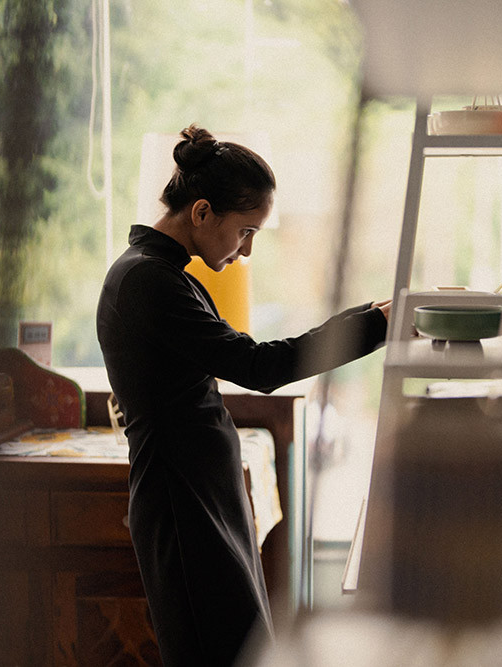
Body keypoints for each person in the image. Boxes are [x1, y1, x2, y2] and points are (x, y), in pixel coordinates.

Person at [96, 124, 390, 666]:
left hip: (199, 493)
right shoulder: (149, 282)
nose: (247, 250)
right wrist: (374, 326)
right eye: (246, 231)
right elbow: (259, 366)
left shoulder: (158, 273)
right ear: (202, 212)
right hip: (184, 502)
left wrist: (373, 318)